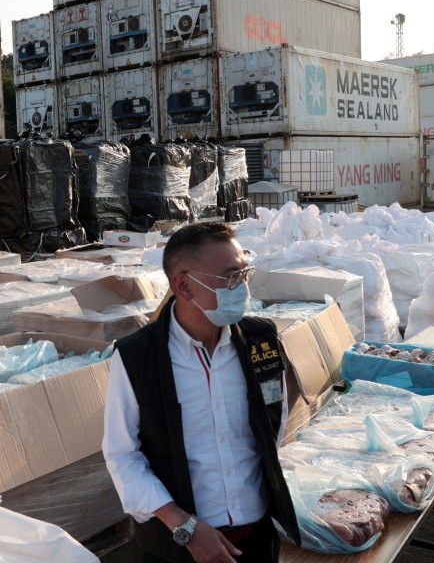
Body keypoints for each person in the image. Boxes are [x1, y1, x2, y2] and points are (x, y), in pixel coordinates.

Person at [102, 221, 299, 563]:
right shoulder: (138, 357)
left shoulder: (260, 340)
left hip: (255, 542)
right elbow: (122, 454)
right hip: (176, 548)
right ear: (184, 285)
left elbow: (273, 421)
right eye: (230, 277)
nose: (242, 288)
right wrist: (185, 527)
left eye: (245, 274)